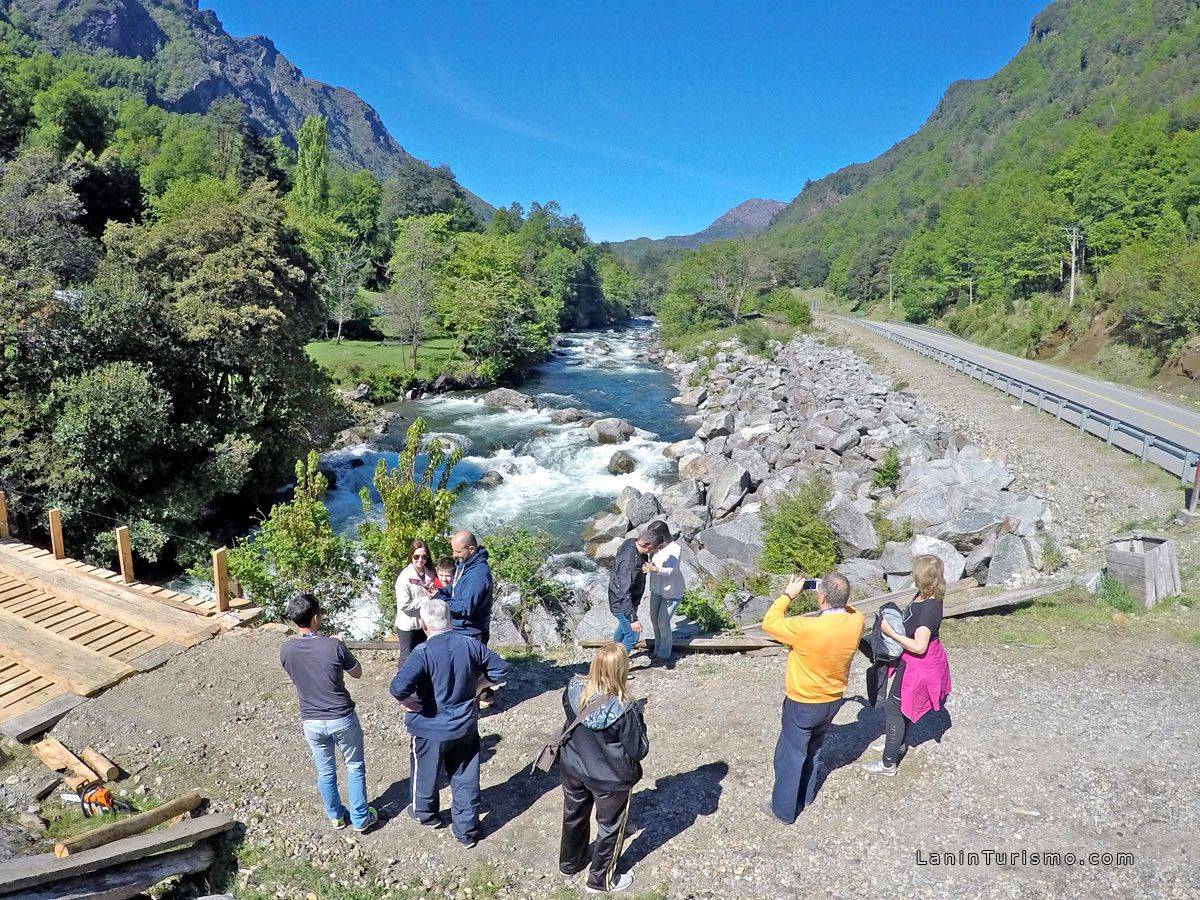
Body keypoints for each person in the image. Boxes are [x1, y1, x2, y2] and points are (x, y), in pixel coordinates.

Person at [390, 597, 509, 848]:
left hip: (428, 728)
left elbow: (398, 687)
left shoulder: (422, 652)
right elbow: (501, 670)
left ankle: (426, 815)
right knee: (465, 776)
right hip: (464, 725)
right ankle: (466, 832)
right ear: (450, 621)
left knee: (425, 774)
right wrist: (479, 686)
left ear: (424, 626)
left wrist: (407, 700)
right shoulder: (469, 644)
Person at [761, 572, 863, 824]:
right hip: (833, 700)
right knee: (814, 748)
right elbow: (846, 606)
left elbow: (769, 622)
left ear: (820, 598)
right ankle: (806, 795)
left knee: (791, 754)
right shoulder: (857, 621)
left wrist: (788, 595)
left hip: (803, 701)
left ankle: (783, 810)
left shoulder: (806, 628)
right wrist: (834, 593)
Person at [279, 593, 378, 833]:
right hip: (341, 717)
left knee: (325, 771)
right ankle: (360, 818)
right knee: (353, 766)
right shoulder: (333, 645)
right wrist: (340, 645)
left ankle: (335, 816)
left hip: (311, 720)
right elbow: (357, 673)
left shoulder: (286, 649)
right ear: (315, 617)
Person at [558, 642, 649, 894]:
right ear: (622, 670)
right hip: (610, 778)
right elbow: (639, 750)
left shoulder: (573, 688)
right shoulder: (624, 708)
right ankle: (600, 881)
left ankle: (569, 863)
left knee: (574, 814)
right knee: (610, 826)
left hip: (574, 767)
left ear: (595, 663)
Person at [863, 554, 952, 776]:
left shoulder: (929, 609)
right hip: (913, 662)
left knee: (895, 708)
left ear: (921, 578)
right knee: (902, 705)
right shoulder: (926, 594)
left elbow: (919, 646)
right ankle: (896, 744)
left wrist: (890, 633)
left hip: (920, 666)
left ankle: (888, 763)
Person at [607, 528, 659, 655]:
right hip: (622, 603)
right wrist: (633, 619)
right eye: (654, 549)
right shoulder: (628, 562)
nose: (654, 551)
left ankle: (610, 656)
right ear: (648, 546)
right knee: (632, 636)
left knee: (622, 629)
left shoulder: (631, 543)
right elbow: (624, 593)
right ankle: (616, 667)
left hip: (625, 600)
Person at [642, 521, 684, 664]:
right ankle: (657, 648)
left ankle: (665, 653)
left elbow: (670, 570)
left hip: (672, 592)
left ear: (662, 536)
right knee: (654, 620)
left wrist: (655, 569)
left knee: (663, 621)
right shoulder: (655, 549)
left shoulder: (675, 549)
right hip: (657, 589)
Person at [447, 530, 494, 645]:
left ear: (471, 549)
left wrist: (441, 600)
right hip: (462, 630)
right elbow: (456, 588)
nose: (454, 555)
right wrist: (438, 591)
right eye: (453, 550)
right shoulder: (465, 564)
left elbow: (465, 607)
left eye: (458, 551)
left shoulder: (477, 574)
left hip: (471, 634)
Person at [394, 540, 436, 665]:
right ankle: (402, 684)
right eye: (416, 557)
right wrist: (427, 599)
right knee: (407, 659)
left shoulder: (430, 573)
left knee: (423, 656)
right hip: (408, 626)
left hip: (424, 624)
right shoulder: (404, 578)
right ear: (411, 556)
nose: (420, 560)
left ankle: (420, 684)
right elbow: (404, 606)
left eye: (424, 557)